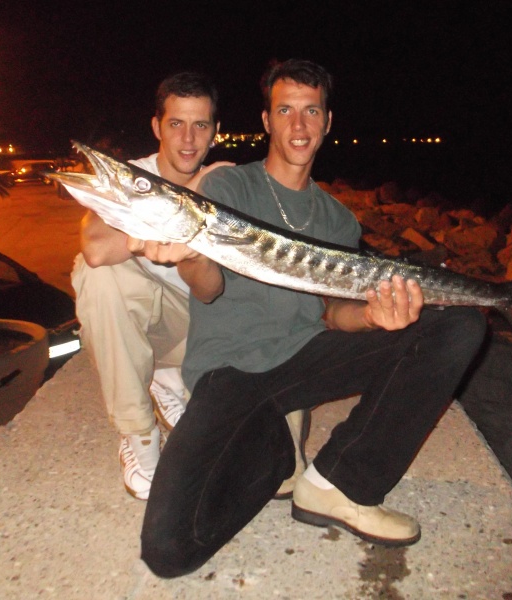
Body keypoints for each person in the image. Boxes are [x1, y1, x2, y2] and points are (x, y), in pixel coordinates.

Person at [139, 59, 488, 578]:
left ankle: (338, 483)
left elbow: (332, 314)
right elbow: (208, 288)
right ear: (266, 121)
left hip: (305, 359)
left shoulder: (338, 219)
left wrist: (376, 317)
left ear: (327, 123)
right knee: (168, 551)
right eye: (285, 110)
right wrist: (189, 256)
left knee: (460, 325)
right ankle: (275, 455)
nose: (298, 125)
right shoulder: (228, 190)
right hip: (228, 373)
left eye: (311, 111)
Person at [71, 72, 223, 500]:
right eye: (176, 124)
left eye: (201, 125)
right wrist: (190, 194)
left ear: (215, 131)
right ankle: (138, 434)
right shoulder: (130, 178)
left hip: (205, 329)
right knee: (98, 274)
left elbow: (216, 292)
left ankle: (165, 374)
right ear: (157, 127)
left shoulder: (228, 183)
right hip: (145, 318)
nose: (189, 139)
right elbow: (97, 249)